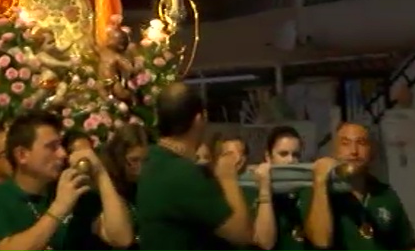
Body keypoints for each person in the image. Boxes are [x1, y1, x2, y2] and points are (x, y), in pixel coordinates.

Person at [0, 110, 133, 251]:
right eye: (51, 147)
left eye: (61, 145)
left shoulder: (70, 192)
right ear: (22, 155)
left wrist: (101, 174)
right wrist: (60, 207)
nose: (62, 154)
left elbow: (121, 237)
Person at [136, 83, 255, 250]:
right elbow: (242, 233)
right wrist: (227, 176)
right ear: (199, 119)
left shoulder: (154, 160)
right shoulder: (181, 173)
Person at [302, 123, 415, 251]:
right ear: (333, 150)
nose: (354, 151)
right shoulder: (317, 192)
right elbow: (321, 241)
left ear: (371, 150)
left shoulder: (384, 193)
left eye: (361, 143)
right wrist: (320, 181)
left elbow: (407, 245)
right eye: (345, 143)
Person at [96, 123, 150, 250]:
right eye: (134, 160)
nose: (141, 168)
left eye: (145, 160)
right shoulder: (105, 186)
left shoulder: (147, 180)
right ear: (119, 156)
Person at [264, 126, 307, 251]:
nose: (291, 160)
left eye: (296, 154)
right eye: (283, 154)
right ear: (268, 156)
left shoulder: (308, 190)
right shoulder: (256, 191)